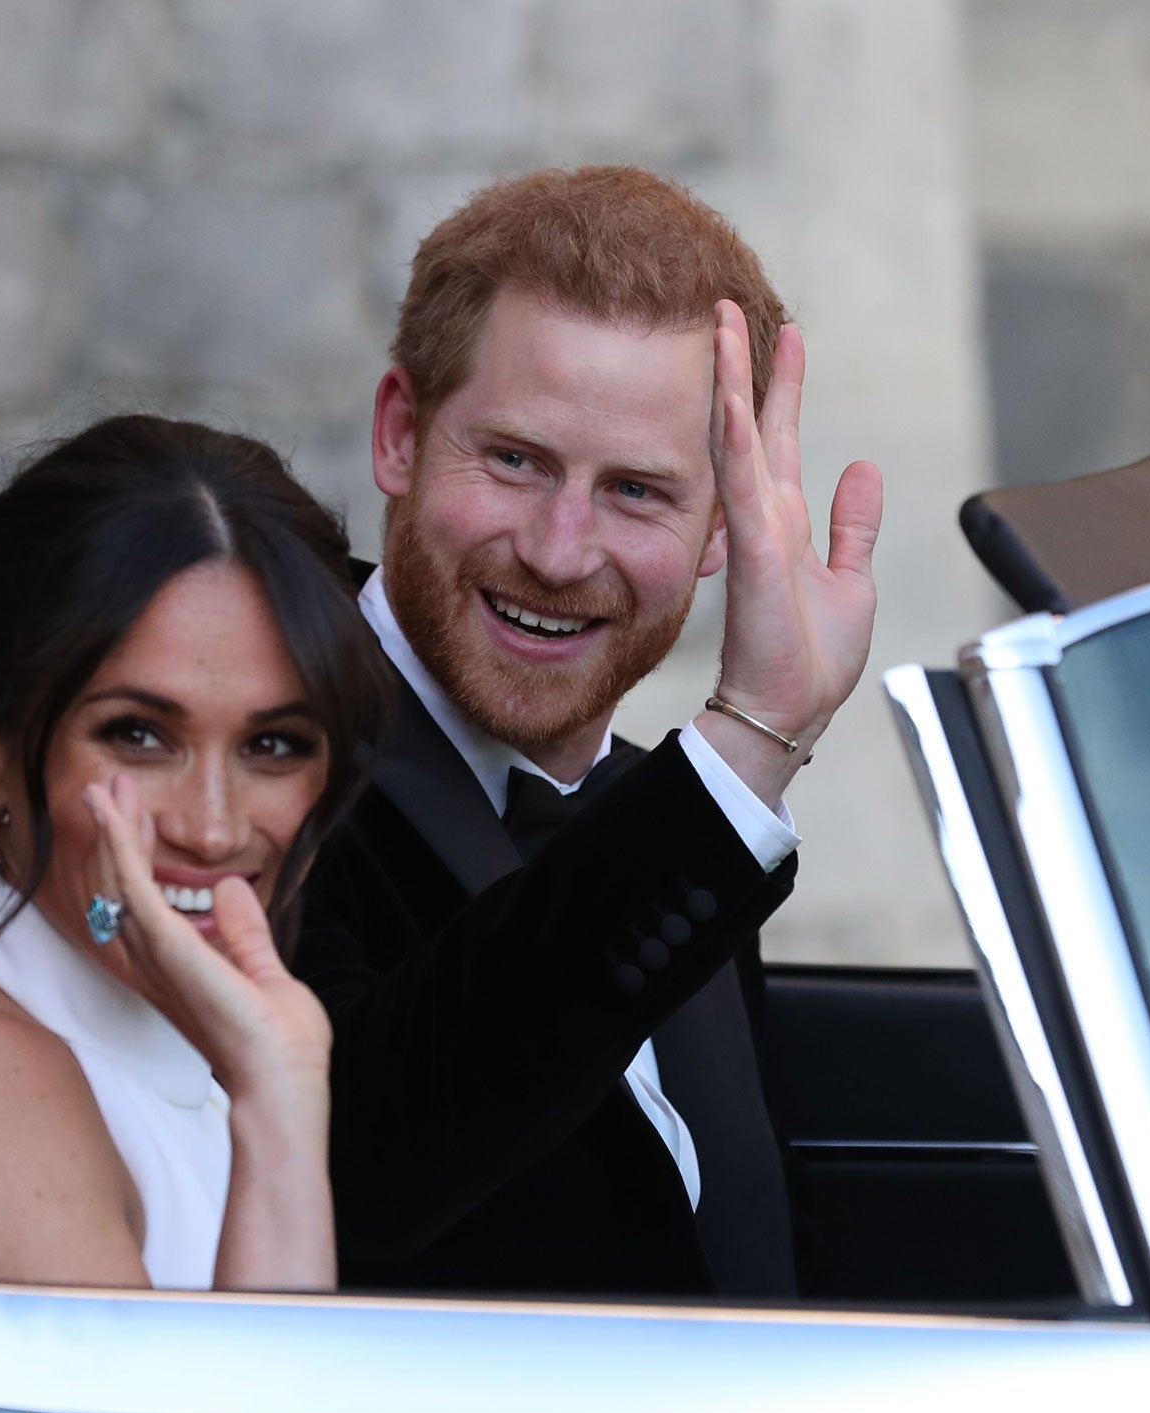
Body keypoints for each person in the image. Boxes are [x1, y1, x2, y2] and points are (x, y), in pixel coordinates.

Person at [297, 166, 884, 1297]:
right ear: (399, 438)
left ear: (722, 530)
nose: (560, 552)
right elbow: (360, 1169)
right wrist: (753, 738)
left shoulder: (661, 814)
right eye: (514, 461)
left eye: (635, 492)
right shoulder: (261, 761)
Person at [0, 415, 394, 1291]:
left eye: (273, 746)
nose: (211, 827)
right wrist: (277, 1105)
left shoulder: (181, 1053)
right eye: (138, 735)